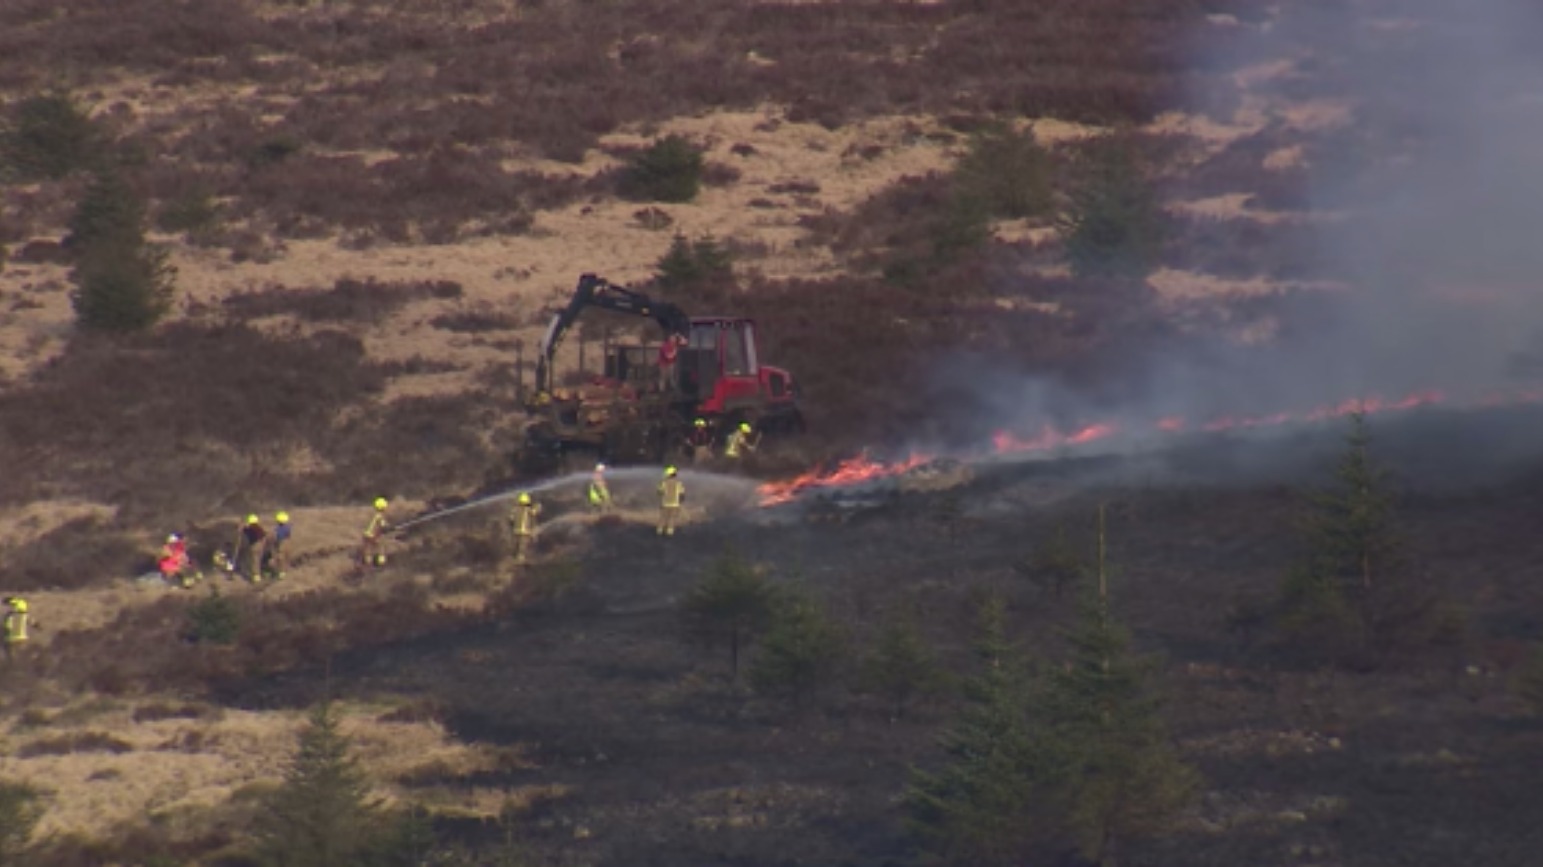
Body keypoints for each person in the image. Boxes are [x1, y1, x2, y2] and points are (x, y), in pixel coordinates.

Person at [509, 492, 541, 564]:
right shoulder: (527, 509)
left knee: (517, 545)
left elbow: (510, 519)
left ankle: (515, 557)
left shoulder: (515, 509)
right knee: (522, 545)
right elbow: (533, 512)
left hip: (516, 531)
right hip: (525, 531)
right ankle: (520, 558)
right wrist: (537, 507)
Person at [234, 514, 267, 582]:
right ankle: (258, 575)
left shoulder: (250, 529)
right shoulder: (259, 528)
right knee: (257, 561)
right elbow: (264, 535)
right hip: (261, 546)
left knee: (254, 561)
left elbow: (244, 531)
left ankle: (256, 577)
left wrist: (241, 528)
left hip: (255, 546)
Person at [360, 498, 390, 569]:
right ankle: (381, 563)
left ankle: (367, 564)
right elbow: (383, 526)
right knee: (381, 548)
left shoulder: (372, 515)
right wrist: (387, 527)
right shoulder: (380, 516)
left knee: (368, 549)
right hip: (373, 535)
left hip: (366, 535)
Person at [263, 511, 292, 581]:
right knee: (285, 559)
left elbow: (275, 538)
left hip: (279, 545)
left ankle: (276, 575)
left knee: (276, 560)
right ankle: (283, 573)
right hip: (286, 545)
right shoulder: (288, 528)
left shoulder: (278, 529)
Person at [657, 466, 685, 536]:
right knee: (672, 518)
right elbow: (682, 493)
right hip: (675, 504)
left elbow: (659, 492)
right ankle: (670, 531)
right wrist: (681, 501)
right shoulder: (678, 483)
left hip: (665, 503)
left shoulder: (663, 483)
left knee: (663, 517)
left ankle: (659, 530)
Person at [3, 597, 28, 661]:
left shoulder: (9, 616)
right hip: (22, 638)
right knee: (21, 654)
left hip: (12, 639)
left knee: (11, 655)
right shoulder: (24, 616)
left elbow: (6, 627)